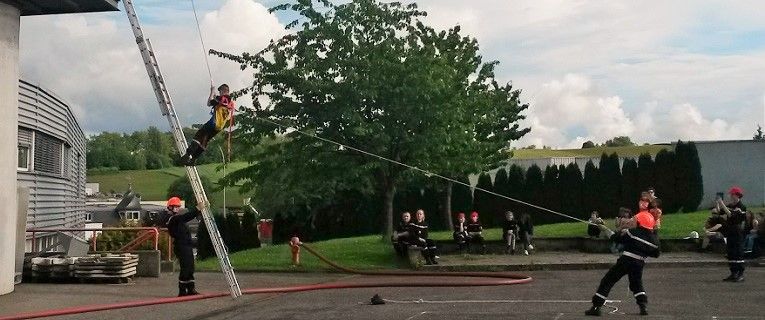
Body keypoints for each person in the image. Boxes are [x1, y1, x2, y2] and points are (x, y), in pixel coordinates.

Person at [585, 207, 660, 316]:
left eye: (634, 220)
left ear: (640, 223)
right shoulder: (655, 240)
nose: (631, 221)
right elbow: (656, 254)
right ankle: (643, 306)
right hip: (639, 263)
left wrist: (604, 228)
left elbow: (615, 237)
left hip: (626, 260)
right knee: (637, 284)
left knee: (608, 280)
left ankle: (596, 307)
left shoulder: (631, 233)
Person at [180, 84, 235, 166]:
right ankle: (194, 159)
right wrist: (215, 96)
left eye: (220, 92)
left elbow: (209, 103)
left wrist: (212, 92)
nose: (219, 94)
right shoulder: (230, 103)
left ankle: (187, 155)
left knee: (198, 137)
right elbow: (217, 102)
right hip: (219, 127)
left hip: (213, 123)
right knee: (204, 141)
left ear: (224, 91)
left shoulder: (223, 99)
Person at [164, 196, 202, 296]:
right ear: (170, 208)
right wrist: (197, 209)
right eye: (174, 207)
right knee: (185, 267)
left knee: (190, 267)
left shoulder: (178, 220)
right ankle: (182, 290)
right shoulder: (173, 219)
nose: (176, 208)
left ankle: (191, 288)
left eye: (178, 207)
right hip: (181, 246)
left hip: (186, 245)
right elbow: (185, 217)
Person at [718, 186, 747, 282]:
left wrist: (722, 204)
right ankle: (733, 273)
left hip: (737, 231)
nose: (731, 196)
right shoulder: (731, 205)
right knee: (731, 252)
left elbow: (731, 215)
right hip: (730, 231)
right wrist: (718, 204)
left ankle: (740, 273)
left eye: (732, 194)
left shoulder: (741, 207)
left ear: (737, 195)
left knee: (738, 252)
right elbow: (720, 212)